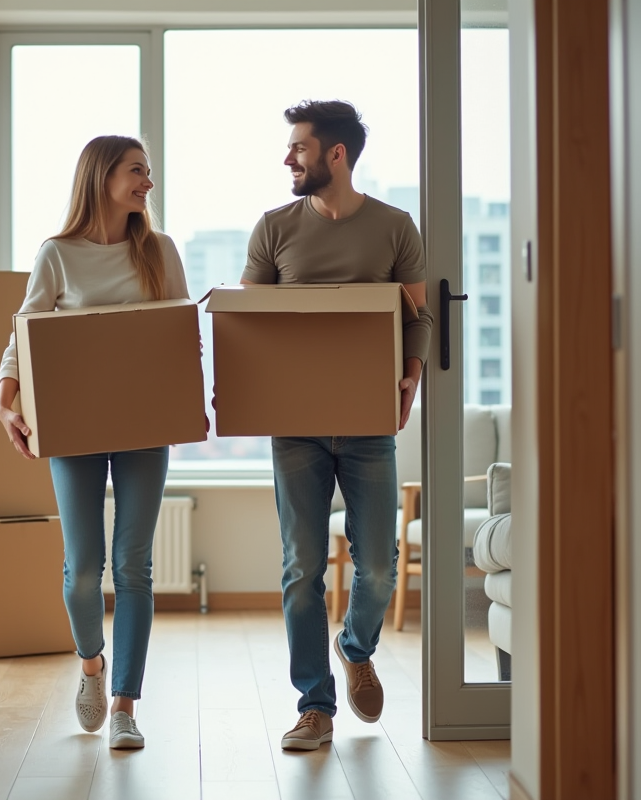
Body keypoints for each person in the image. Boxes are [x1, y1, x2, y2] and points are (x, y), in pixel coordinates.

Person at [241, 100, 433, 751]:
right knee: (302, 569)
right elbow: (247, 321)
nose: (288, 158)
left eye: (298, 147)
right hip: (294, 426)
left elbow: (418, 314)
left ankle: (355, 647)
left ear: (336, 155)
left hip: (368, 423)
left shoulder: (394, 227)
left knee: (376, 564)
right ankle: (315, 706)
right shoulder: (273, 228)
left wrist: (412, 372)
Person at [0, 135, 191, 750]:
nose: (147, 184)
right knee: (83, 571)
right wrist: (6, 394)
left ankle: (127, 705)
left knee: (133, 565)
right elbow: (26, 330)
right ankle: (92, 667)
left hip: (144, 427)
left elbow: (182, 329)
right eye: (138, 171)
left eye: (149, 173)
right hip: (75, 426)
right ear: (102, 176)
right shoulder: (57, 254)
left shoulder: (159, 251)